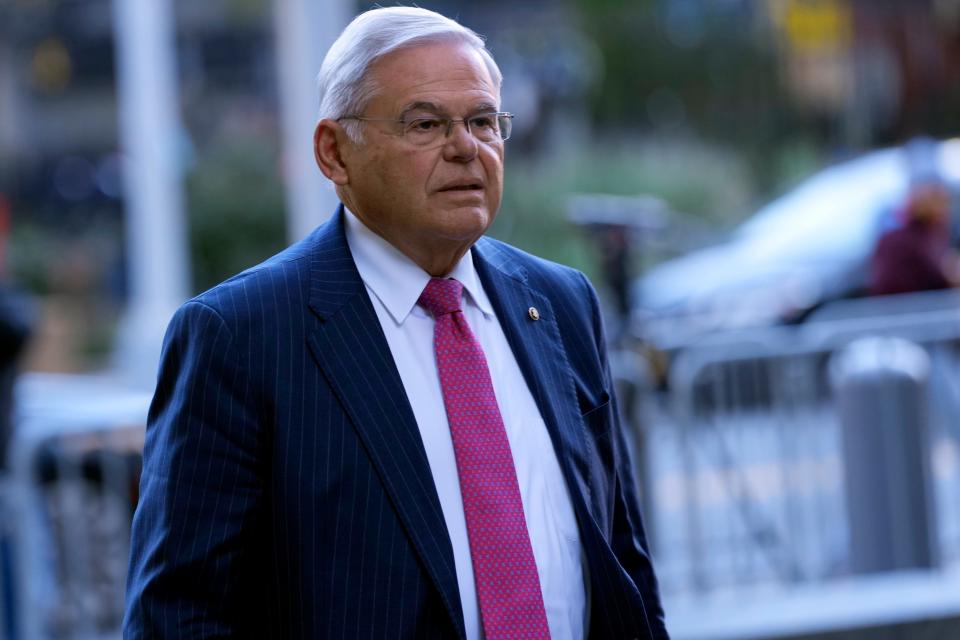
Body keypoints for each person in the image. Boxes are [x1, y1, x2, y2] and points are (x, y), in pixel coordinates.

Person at [124, 7, 667, 639]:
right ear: (334, 152)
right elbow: (179, 615)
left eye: (484, 121)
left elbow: (623, 559)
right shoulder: (241, 336)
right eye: (426, 123)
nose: (466, 147)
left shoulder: (561, 300)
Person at [869, 179, 960, 296]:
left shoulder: (935, 235)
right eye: (940, 202)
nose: (945, 209)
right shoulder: (904, 240)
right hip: (907, 307)